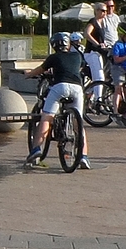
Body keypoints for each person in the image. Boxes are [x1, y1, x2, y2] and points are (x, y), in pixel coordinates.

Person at [26, 33, 91, 169]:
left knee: (46, 118)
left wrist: (29, 74)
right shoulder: (77, 56)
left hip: (60, 87)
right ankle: (83, 156)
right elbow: (79, 67)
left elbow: (40, 70)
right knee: (78, 123)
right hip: (77, 88)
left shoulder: (53, 57)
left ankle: (36, 149)